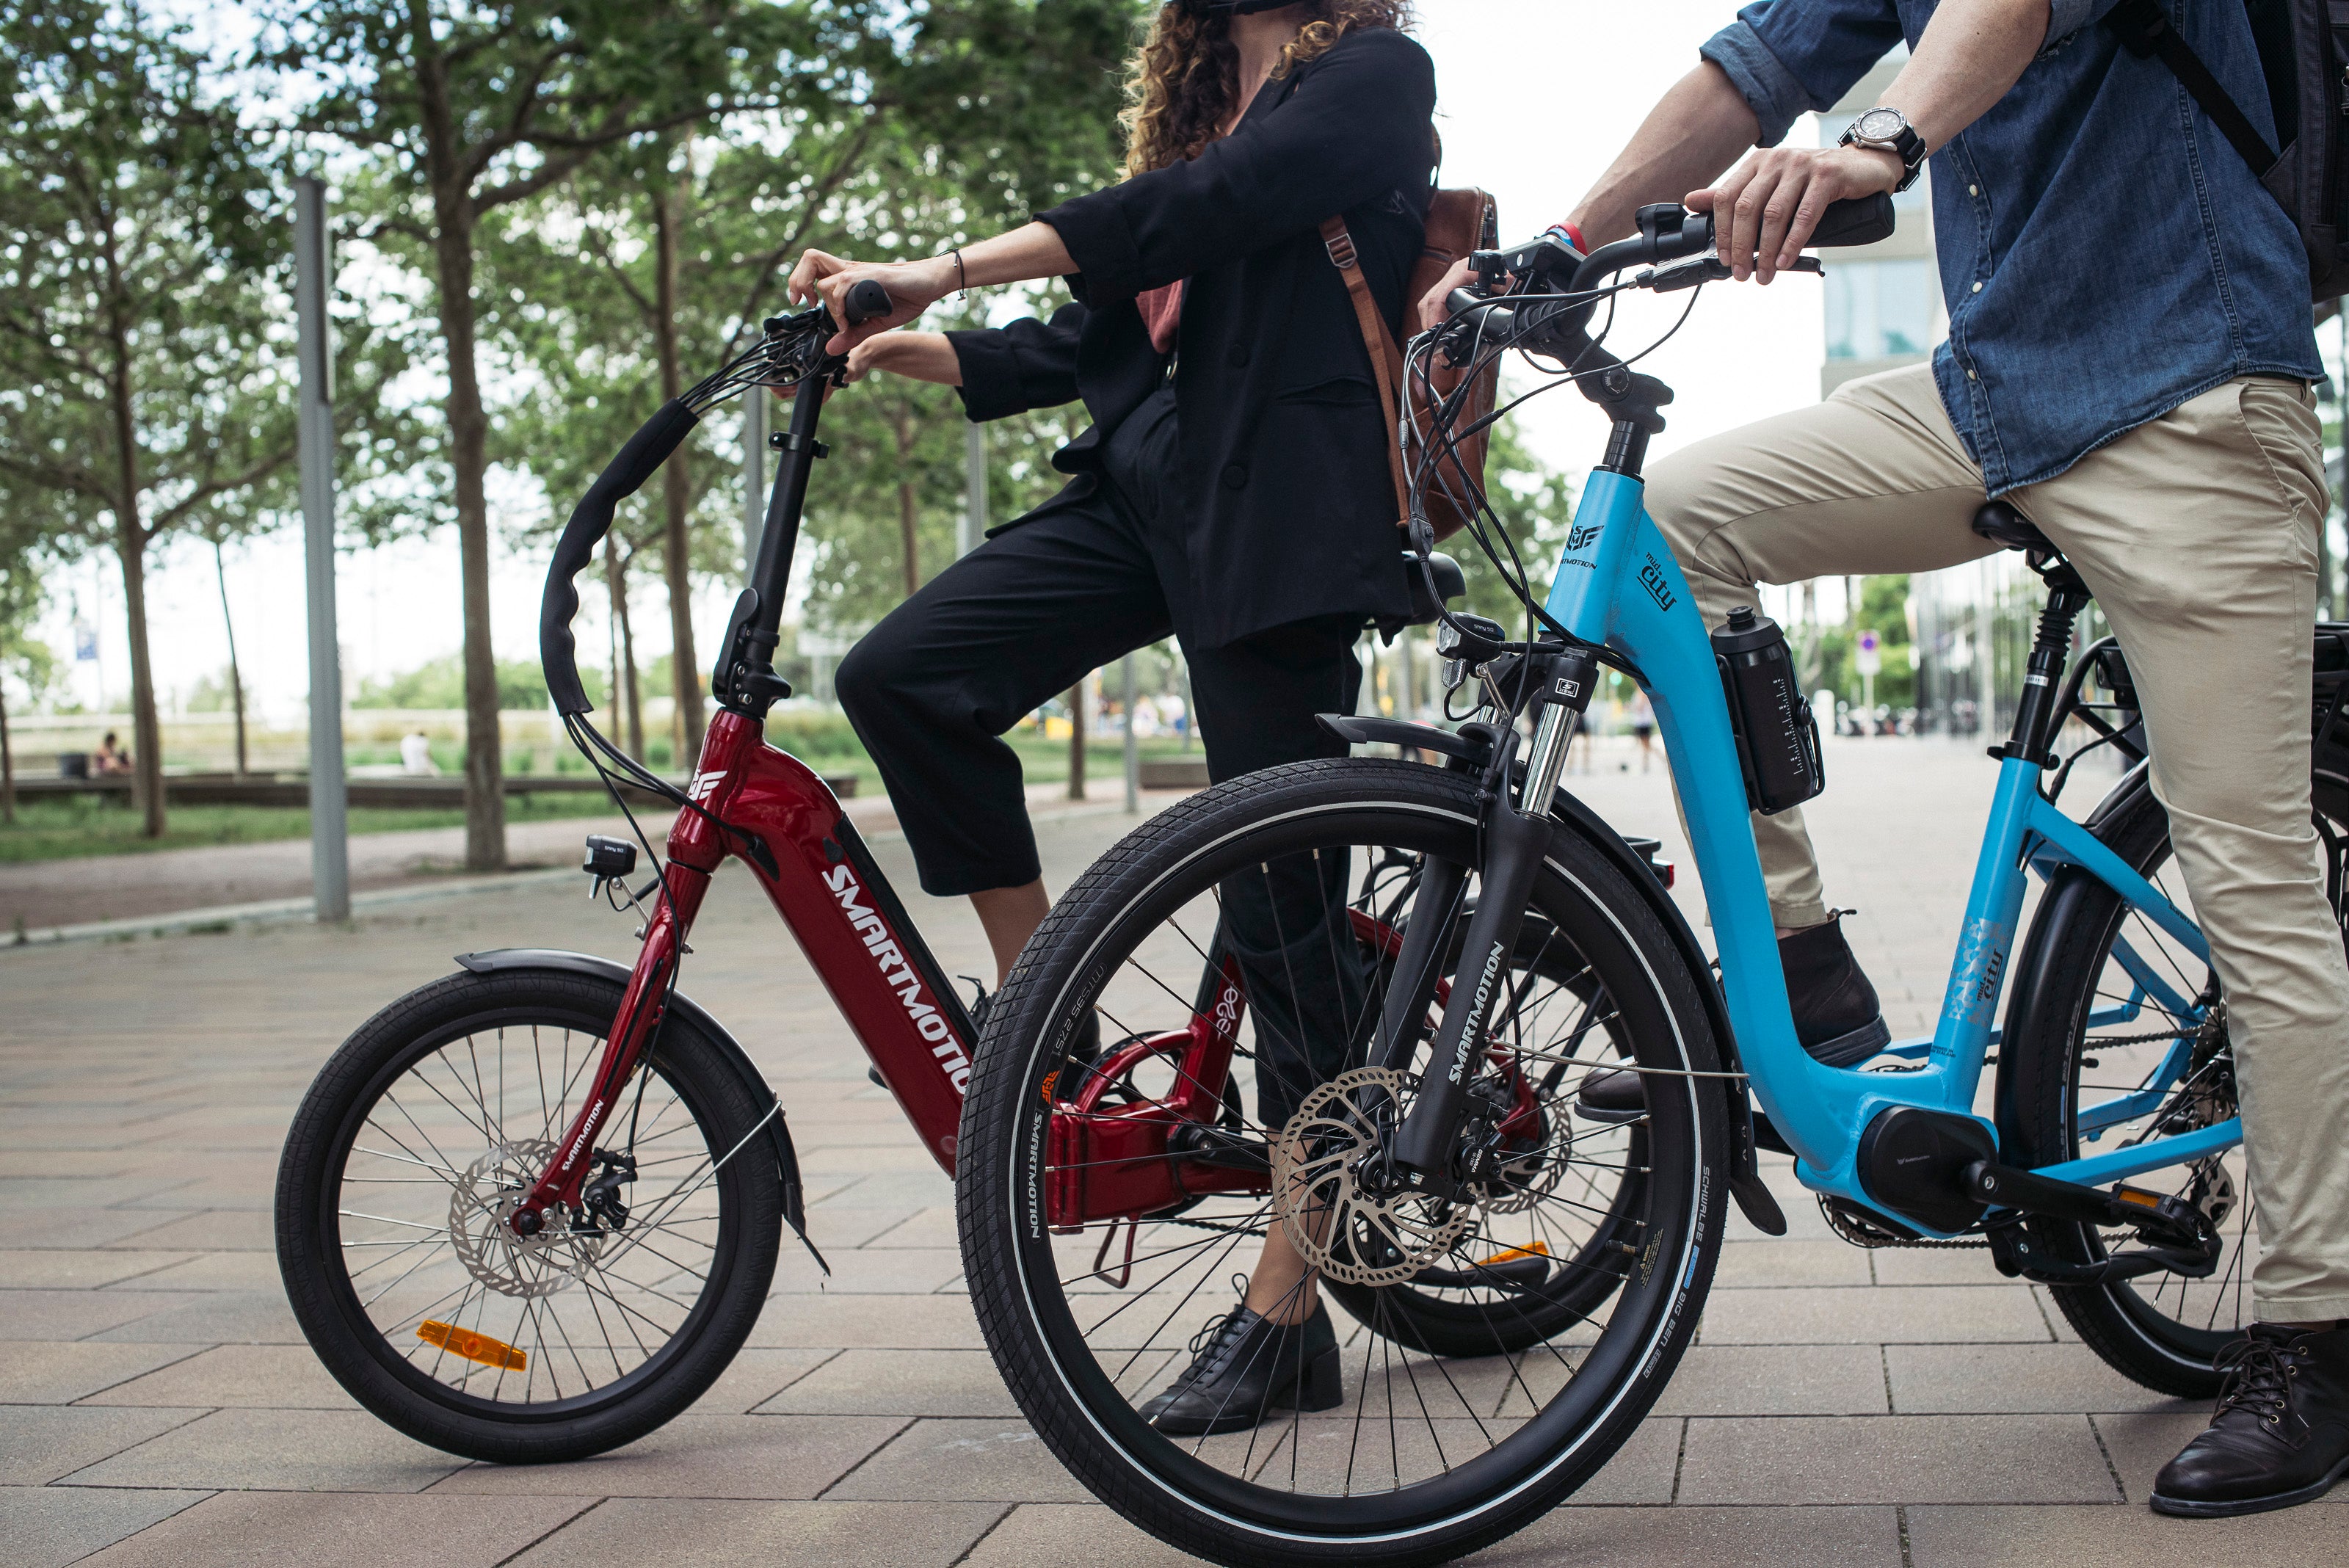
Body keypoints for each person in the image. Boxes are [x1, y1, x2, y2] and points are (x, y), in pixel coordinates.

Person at [1426, 0, 2349, 1516]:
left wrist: (1875, 141)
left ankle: (2317, 1327)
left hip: (2186, 390)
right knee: (1669, 524)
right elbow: (1748, 69)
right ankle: (1803, 973)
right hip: (1992, 393)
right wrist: (1557, 244)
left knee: (2251, 873)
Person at [791, 0, 1436, 1435]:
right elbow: (1126, 324)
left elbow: (1189, 217)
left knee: (1275, 894)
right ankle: (1052, 1009)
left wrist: (943, 268)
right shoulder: (1203, 98)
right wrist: (943, 349)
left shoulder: (1376, 75)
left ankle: (1291, 1304)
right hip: (1149, 491)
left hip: (1277, 512)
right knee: (905, 678)